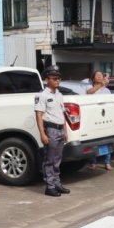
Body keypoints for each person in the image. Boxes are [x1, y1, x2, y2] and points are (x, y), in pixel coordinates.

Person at [35, 65, 69, 197]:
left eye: (59, 78)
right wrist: (42, 134)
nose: (57, 80)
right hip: (51, 130)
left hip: (60, 129)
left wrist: (65, 131)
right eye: (55, 78)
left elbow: (62, 114)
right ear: (47, 79)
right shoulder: (42, 95)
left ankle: (57, 184)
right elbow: (38, 115)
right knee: (49, 160)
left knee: (57, 160)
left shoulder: (59, 94)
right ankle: (49, 186)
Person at [85, 70, 113, 171]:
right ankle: (93, 162)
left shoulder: (107, 90)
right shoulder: (90, 87)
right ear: (93, 78)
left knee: (106, 141)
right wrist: (100, 85)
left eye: (101, 75)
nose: (99, 76)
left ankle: (107, 162)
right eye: (97, 75)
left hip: (105, 119)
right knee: (93, 143)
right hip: (93, 120)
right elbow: (89, 93)